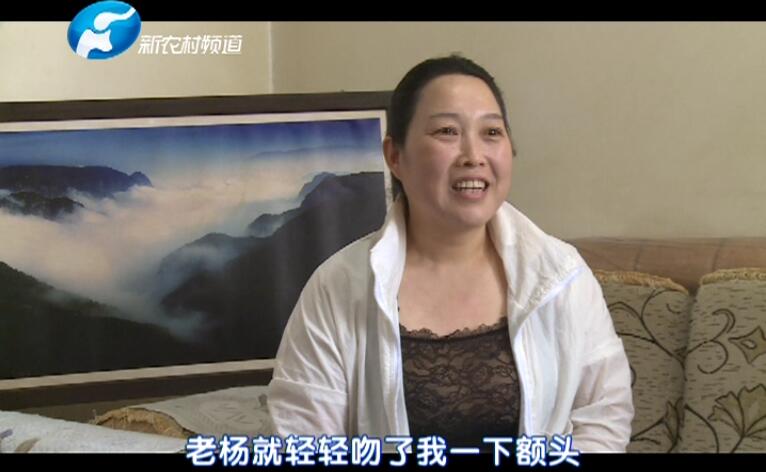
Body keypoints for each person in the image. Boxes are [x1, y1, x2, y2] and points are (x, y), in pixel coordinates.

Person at [267, 55, 634, 452]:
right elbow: (302, 442)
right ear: (395, 156)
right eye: (447, 131)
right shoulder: (338, 287)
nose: (473, 155)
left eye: (491, 132)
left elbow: (604, 415)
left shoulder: (561, 275)